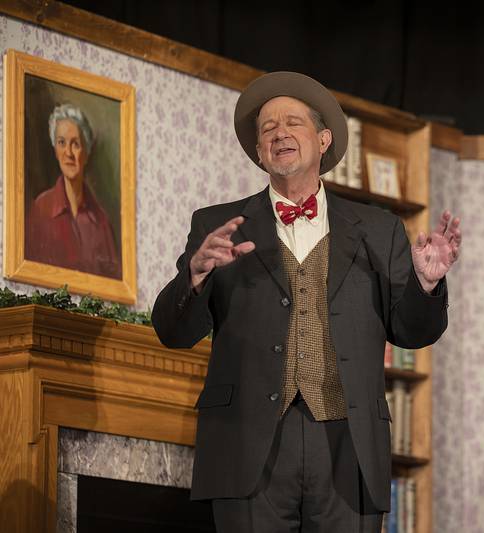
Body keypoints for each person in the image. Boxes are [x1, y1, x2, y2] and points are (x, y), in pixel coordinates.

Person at [152, 71, 460, 532]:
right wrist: (194, 277)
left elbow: (414, 332)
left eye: (292, 122)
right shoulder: (217, 225)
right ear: (259, 152)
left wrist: (427, 285)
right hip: (247, 443)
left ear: (323, 139)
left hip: (348, 444)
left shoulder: (379, 230)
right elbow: (172, 332)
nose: (278, 132)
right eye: (267, 128)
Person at [26, 103, 121, 279]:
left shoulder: (101, 222)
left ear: (86, 152)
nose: (68, 153)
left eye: (75, 144)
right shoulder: (41, 209)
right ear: (55, 149)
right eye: (62, 143)